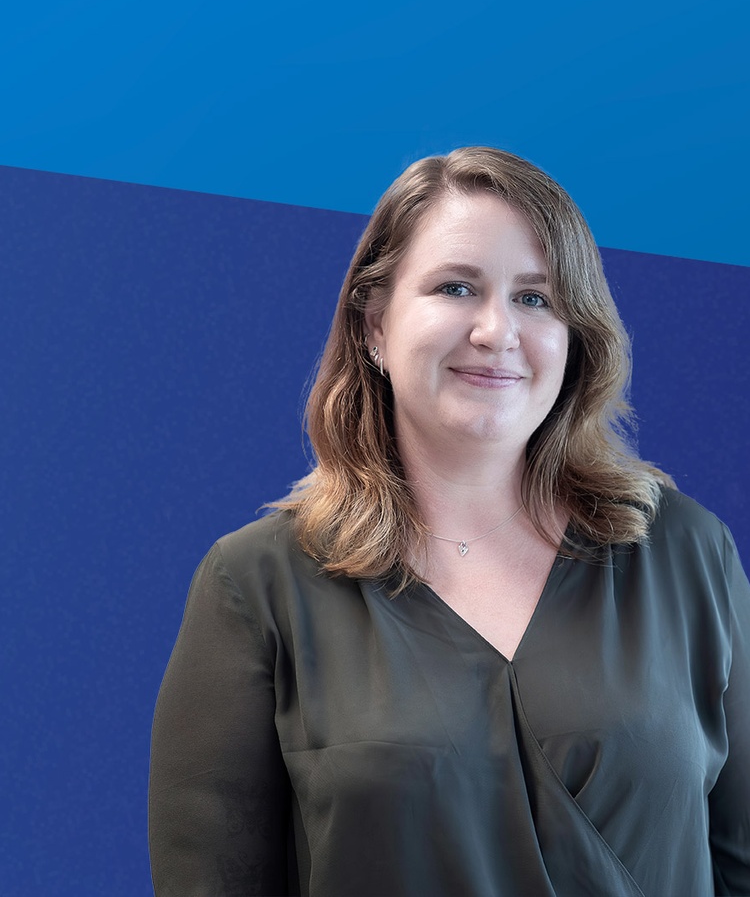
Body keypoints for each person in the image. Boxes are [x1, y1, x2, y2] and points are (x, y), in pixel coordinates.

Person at [148, 147, 750, 897]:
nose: (497, 331)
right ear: (374, 325)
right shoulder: (257, 585)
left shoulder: (688, 554)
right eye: (457, 287)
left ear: (575, 335)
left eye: (536, 298)